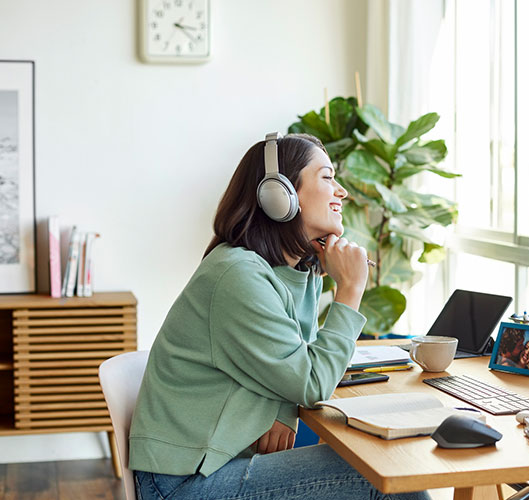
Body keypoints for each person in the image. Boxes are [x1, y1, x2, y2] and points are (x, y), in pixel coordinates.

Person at [129, 133, 429, 500]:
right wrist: (350, 289)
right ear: (278, 194)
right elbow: (312, 382)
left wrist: (284, 410)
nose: (342, 192)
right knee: (387, 473)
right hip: (184, 483)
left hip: (219, 460)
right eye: (327, 177)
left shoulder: (286, 272)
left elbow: (293, 364)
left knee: (390, 468)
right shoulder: (237, 275)